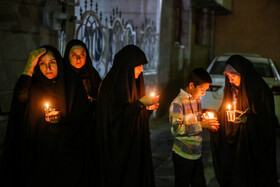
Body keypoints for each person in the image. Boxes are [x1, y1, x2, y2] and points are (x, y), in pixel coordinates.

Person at [0, 45, 94, 186]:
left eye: (52, 63)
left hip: (68, 158)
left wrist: (62, 121)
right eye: (42, 64)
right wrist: (29, 65)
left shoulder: (72, 84)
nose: (48, 68)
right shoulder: (35, 86)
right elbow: (20, 97)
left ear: (59, 63)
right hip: (40, 157)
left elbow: (84, 120)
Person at [210, 54, 278, 187]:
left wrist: (248, 119)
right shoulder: (230, 89)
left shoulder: (260, 90)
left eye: (232, 77)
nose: (229, 81)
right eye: (228, 77)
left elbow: (266, 122)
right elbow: (224, 111)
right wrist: (215, 119)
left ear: (242, 74)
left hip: (250, 146)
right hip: (234, 145)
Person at [95, 45, 159, 187]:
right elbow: (114, 121)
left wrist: (147, 108)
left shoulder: (134, 84)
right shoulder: (109, 88)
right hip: (116, 152)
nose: (141, 69)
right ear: (128, 66)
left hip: (134, 147)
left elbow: (136, 116)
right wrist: (139, 104)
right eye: (139, 66)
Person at [169, 68, 219, 187]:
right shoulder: (177, 103)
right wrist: (201, 125)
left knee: (200, 183)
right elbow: (176, 130)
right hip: (182, 154)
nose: (204, 93)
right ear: (192, 85)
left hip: (196, 153)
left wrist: (205, 121)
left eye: (206, 90)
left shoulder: (197, 100)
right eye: (202, 90)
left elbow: (194, 121)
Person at [63, 39, 102, 117]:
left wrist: (91, 100)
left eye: (82, 55)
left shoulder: (92, 74)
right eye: (74, 55)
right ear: (68, 56)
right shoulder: (62, 74)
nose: (78, 59)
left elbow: (101, 98)